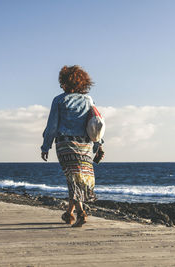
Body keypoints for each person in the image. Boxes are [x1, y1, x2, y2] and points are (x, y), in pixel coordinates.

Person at [41, 65, 103, 227]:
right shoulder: (88, 100)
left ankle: (77, 213)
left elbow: (52, 126)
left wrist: (45, 146)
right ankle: (72, 213)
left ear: (65, 82)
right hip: (85, 145)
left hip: (65, 143)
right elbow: (95, 123)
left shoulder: (59, 100)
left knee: (73, 178)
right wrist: (99, 144)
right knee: (79, 179)